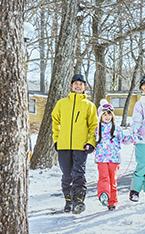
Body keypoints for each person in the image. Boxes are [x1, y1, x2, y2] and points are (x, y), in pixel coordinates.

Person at [52, 74, 98, 214]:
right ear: (71, 86)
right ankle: (68, 201)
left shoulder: (89, 106)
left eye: (81, 84)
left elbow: (93, 126)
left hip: (81, 146)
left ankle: (78, 200)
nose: (78, 86)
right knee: (67, 174)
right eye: (75, 83)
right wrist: (56, 140)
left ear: (84, 87)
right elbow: (55, 123)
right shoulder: (61, 104)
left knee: (78, 173)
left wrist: (91, 143)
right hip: (64, 145)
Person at [94, 99, 135, 211]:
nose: (107, 117)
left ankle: (112, 202)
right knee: (104, 178)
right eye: (104, 114)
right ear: (100, 116)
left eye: (109, 114)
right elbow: (94, 144)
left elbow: (124, 139)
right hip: (101, 158)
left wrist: (133, 138)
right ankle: (104, 195)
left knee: (113, 181)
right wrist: (87, 148)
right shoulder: (97, 130)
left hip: (114, 159)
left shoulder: (117, 129)